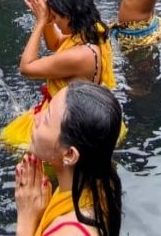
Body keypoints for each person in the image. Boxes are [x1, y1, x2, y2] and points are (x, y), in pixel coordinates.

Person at [1, 0, 116, 151]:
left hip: (67, 125)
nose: (54, 21)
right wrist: (48, 21)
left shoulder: (79, 56)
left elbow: (26, 67)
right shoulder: (92, 31)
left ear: (69, 17)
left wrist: (40, 23)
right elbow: (54, 43)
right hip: (78, 112)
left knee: (10, 146)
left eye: (55, 17)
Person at [14, 82, 123, 236]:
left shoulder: (70, 232)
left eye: (46, 119)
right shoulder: (101, 189)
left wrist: (26, 221)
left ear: (70, 155)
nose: (36, 118)